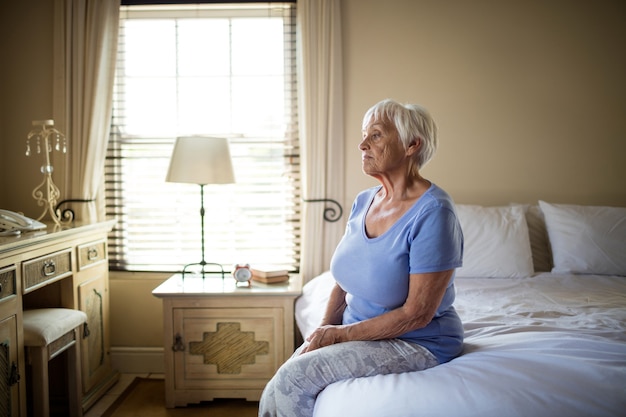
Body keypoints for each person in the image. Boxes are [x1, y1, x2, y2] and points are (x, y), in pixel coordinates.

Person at [258, 99, 464, 417]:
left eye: (376, 135)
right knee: (278, 382)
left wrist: (341, 335)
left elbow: (417, 314)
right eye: (364, 134)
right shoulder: (364, 201)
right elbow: (344, 280)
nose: (362, 144)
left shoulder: (434, 212)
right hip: (359, 332)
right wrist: (325, 329)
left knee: (293, 380)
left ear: (412, 144)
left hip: (417, 341)